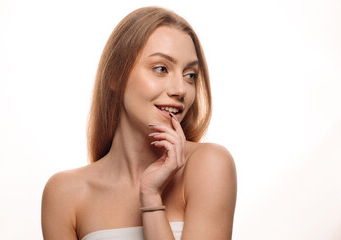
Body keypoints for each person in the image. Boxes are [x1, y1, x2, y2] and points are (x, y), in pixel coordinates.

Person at [41, 6, 237, 240]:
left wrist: (151, 197)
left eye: (190, 75)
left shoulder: (209, 165)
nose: (180, 90)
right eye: (161, 69)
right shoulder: (64, 193)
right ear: (116, 75)